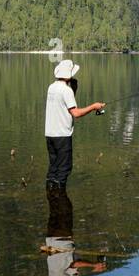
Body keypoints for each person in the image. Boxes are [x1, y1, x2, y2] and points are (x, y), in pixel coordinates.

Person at [44, 59, 104, 190]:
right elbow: (75, 113)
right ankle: (60, 197)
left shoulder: (52, 87)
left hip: (50, 134)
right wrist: (94, 106)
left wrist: (74, 89)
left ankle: (51, 195)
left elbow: (65, 105)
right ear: (69, 76)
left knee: (53, 167)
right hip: (62, 136)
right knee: (64, 169)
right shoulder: (66, 91)